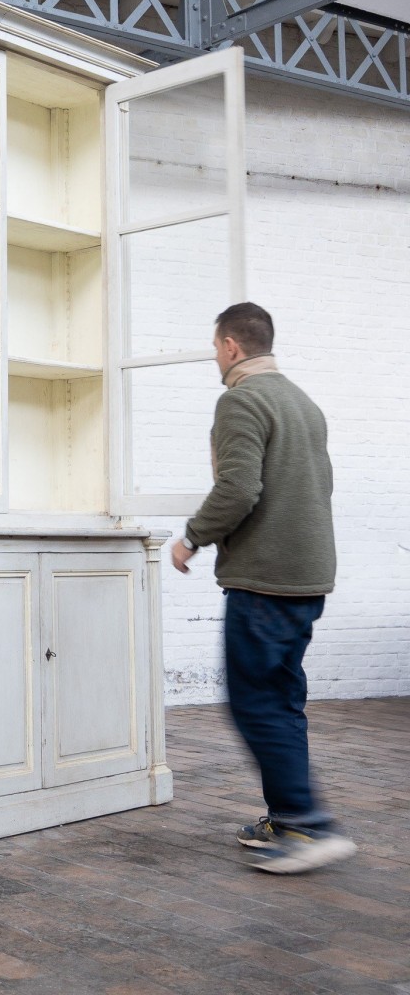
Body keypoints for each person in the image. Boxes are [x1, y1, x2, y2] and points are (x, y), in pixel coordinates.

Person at [170, 302, 356, 874]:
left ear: (230, 345)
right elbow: (319, 484)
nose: (215, 358)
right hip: (306, 576)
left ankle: (305, 824)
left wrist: (192, 539)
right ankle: (288, 816)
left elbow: (238, 489)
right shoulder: (303, 402)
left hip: (265, 579)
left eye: (214, 348)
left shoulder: (241, 399)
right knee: (282, 700)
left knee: (255, 704)